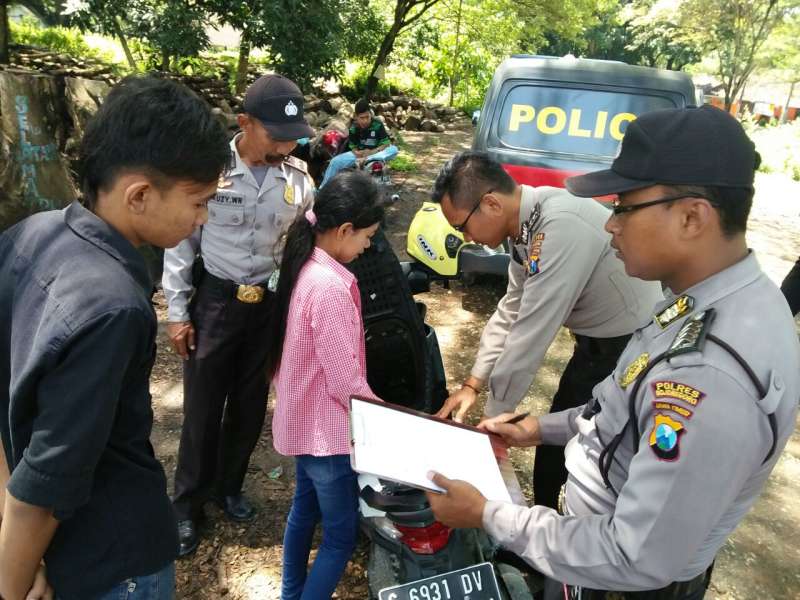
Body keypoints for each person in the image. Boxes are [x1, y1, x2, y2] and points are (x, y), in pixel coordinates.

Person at [426, 106, 799, 599]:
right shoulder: (695, 302)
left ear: (692, 217)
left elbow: (632, 555)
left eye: (623, 207)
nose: (610, 226)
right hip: (593, 546)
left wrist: (488, 514)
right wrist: (540, 427)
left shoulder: (707, 375)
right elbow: (617, 408)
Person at [0, 75, 229, 600]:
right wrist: (11, 582)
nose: (203, 219)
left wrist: (12, 549)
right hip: (108, 561)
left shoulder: (31, 233)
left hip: (42, 547)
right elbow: (44, 484)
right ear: (141, 195)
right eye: (198, 202)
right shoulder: (113, 309)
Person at [430, 151, 663, 509]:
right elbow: (511, 307)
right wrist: (473, 384)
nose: (468, 238)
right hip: (596, 343)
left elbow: (530, 334)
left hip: (626, 347)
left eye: (462, 226)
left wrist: (492, 421)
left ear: (490, 203)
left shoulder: (559, 227)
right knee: (559, 433)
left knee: (590, 441)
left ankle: (559, 532)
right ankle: (545, 519)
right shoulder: (528, 225)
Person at [162, 74, 315, 557]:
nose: (285, 145)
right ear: (244, 123)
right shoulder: (209, 171)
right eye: (275, 135)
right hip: (215, 301)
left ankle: (229, 488)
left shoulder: (299, 181)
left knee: (249, 406)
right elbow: (182, 241)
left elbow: (297, 251)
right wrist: (177, 311)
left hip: (265, 307)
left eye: (293, 137)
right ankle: (186, 506)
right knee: (202, 410)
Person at [266, 170, 384, 600]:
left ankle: (291, 593)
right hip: (328, 435)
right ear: (344, 230)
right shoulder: (330, 287)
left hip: (302, 422)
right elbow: (345, 383)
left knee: (302, 512)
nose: (368, 245)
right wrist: (387, 415)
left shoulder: (304, 266)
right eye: (366, 236)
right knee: (338, 539)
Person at [319, 98, 398, 188]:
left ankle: (369, 160)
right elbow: (353, 146)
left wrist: (371, 152)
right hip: (358, 156)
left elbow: (386, 143)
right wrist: (357, 153)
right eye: (362, 118)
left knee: (394, 149)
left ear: (370, 114)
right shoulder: (353, 128)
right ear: (356, 117)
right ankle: (322, 189)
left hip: (376, 153)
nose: (365, 121)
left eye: (367, 117)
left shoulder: (378, 124)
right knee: (335, 162)